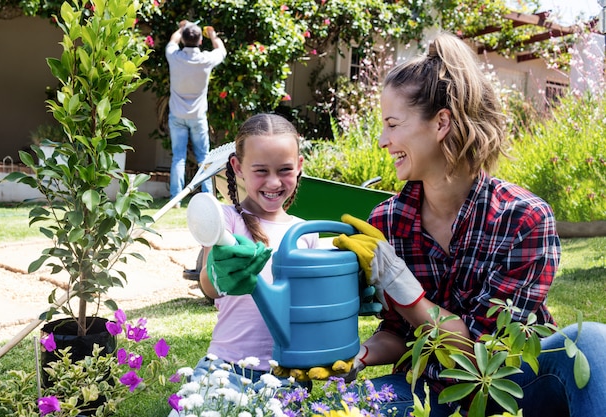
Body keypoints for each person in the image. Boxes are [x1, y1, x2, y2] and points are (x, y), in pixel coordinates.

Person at [331, 32, 606, 417]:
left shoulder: (524, 219)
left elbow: (484, 352)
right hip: (428, 388)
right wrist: (359, 355)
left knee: (592, 340)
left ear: (441, 122)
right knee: (337, 408)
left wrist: (404, 289)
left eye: (392, 124)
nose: (381, 140)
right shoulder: (386, 222)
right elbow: (395, 331)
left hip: (516, 384)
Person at [188, 114, 318, 393]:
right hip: (226, 366)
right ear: (237, 167)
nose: (273, 183)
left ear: (299, 167)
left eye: (284, 170)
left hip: (287, 372)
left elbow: (311, 306)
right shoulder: (225, 221)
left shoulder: (305, 233)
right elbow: (210, 286)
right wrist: (218, 272)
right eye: (261, 171)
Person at [165, 20, 226, 204]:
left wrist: (182, 27)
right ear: (200, 41)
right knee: (204, 158)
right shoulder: (205, 60)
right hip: (198, 116)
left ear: (183, 40)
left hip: (177, 115)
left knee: (178, 158)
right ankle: (207, 196)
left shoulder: (174, 57)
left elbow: (172, 41)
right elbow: (221, 50)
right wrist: (213, 35)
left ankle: (175, 199)